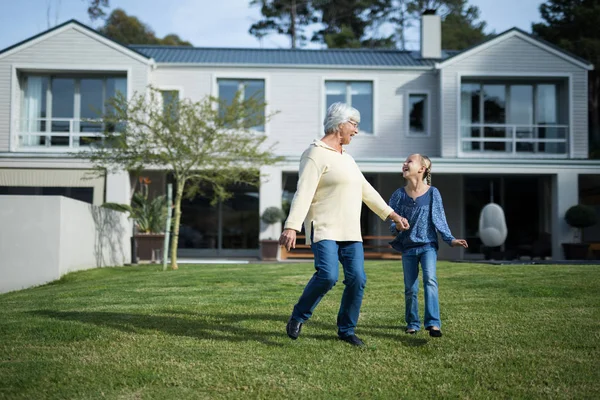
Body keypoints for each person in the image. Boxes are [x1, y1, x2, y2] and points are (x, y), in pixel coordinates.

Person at [279, 102, 409, 347]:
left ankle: (346, 329)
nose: (356, 131)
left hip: (350, 231)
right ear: (340, 124)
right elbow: (303, 191)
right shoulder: (314, 153)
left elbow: (366, 190)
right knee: (328, 276)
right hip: (324, 226)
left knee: (357, 279)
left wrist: (392, 215)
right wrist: (291, 225)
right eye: (354, 125)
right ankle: (298, 316)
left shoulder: (347, 159)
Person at [388, 154, 468, 337]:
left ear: (422, 169)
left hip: (427, 246)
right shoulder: (398, 195)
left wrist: (450, 239)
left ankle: (433, 323)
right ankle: (412, 323)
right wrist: (398, 226)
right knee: (410, 288)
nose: (404, 163)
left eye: (409, 161)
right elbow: (391, 222)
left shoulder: (433, 193)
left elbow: (439, 219)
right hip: (408, 248)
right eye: (405, 160)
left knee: (430, 281)